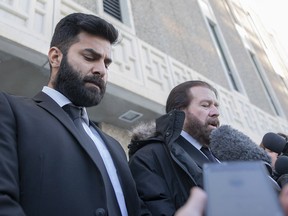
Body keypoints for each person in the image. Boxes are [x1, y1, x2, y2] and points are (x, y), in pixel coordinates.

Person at [0, 13, 150, 216]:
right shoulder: (10, 110)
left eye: (106, 63)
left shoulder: (114, 146)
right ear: (55, 57)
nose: (101, 70)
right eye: (90, 57)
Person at [128, 80, 220, 215]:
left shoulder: (222, 155)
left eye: (216, 106)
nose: (215, 112)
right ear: (179, 112)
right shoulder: (148, 157)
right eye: (205, 105)